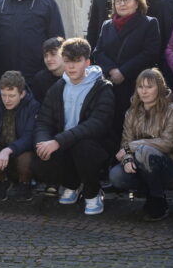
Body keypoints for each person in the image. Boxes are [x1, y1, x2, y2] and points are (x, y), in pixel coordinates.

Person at [33, 38, 116, 215]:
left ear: (87, 62)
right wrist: (43, 143)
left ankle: (92, 192)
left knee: (83, 147)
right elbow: (43, 121)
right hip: (65, 143)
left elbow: (97, 125)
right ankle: (71, 184)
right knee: (40, 156)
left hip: (95, 146)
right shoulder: (58, 87)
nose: (71, 67)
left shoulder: (102, 88)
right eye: (68, 61)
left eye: (77, 61)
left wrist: (57, 141)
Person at [108, 69, 173, 221]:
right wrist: (127, 159)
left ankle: (157, 199)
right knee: (116, 176)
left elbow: (167, 143)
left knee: (144, 150)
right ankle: (151, 192)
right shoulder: (132, 112)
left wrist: (133, 147)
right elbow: (125, 142)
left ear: (160, 88)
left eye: (149, 87)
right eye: (140, 87)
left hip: (169, 166)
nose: (144, 91)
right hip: (140, 165)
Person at [92, 0, 162, 143]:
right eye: (118, 0)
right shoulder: (107, 25)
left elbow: (150, 53)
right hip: (110, 85)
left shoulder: (149, 23)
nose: (121, 3)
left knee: (132, 129)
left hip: (135, 85)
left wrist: (123, 71)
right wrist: (111, 70)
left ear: (137, 3)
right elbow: (98, 52)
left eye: (126, 0)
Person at [0, 70, 40, 202]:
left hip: (20, 152)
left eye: (11, 96)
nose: (6, 100)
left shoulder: (32, 106)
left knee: (27, 160)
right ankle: (1, 181)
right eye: (3, 95)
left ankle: (25, 183)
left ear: (22, 94)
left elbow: (29, 137)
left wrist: (9, 150)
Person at [29, 36, 65, 104]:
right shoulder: (40, 79)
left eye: (53, 54)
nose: (48, 59)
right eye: (46, 55)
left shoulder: (73, 76)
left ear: (64, 55)